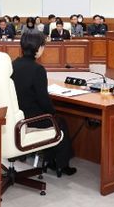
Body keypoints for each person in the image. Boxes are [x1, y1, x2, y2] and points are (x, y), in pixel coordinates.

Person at [11, 31, 76, 176]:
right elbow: (44, 101)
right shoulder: (37, 69)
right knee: (60, 122)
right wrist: (52, 112)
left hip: (17, 117)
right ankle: (61, 164)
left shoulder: (13, 64)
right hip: (32, 119)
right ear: (38, 48)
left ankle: (50, 159)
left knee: (55, 119)